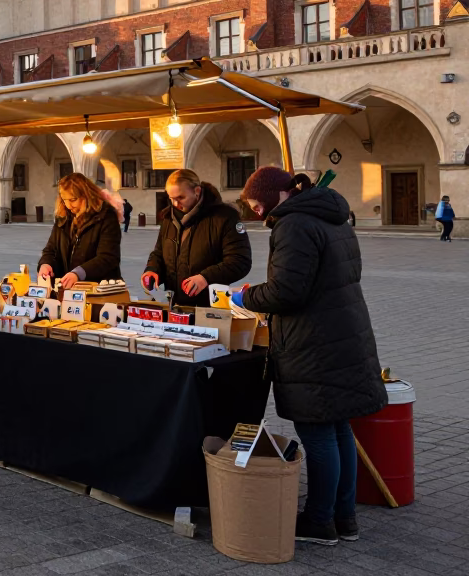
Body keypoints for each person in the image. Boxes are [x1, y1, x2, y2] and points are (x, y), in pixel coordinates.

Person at [238, 166, 387, 546]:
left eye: (257, 203)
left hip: (313, 344)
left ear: (277, 194)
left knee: (319, 434)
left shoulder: (294, 224)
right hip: (343, 335)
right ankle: (345, 518)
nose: (256, 211)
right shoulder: (332, 216)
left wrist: (246, 297)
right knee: (339, 429)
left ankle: (320, 521)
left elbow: (287, 292)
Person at [141, 169, 252, 307]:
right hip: (176, 305)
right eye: (171, 198)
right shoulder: (169, 218)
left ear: (197, 191)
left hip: (210, 306)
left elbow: (240, 261)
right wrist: (152, 269)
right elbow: (159, 252)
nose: (175, 204)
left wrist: (205, 278)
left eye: (181, 198)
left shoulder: (225, 217)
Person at [37, 173, 121, 288]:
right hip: (67, 289)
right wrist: (46, 264)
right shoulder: (63, 217)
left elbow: (108, 257)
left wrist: (79, 273)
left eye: (73, 200)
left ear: (86, 195)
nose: (68, 205)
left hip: (99, 288)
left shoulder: (106, 216)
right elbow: (51, 250)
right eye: (64, 200)